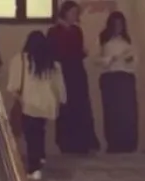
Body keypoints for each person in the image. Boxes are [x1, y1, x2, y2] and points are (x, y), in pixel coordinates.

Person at [8, 31, 67, 180]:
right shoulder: (52, 63)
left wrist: (16, 95)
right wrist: (61, 100)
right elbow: (59, 86)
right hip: (47, 103)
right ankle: (40, 157)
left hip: (28, 102)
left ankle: (34, 166)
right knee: (39, 130)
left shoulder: (20, 60)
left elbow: (14, 84)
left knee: (31, 134)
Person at [47, 1, 101, 155]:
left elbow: (78, 50)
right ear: (65, 12)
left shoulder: (77, 30)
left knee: (80, 105)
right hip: (63, 72)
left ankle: (82, 142)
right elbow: (53, 53)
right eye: (72, 13)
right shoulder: (54, 31)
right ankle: (67, 142)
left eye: (76, 13)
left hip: (77, 71)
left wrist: (83, 52)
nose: (74, 16)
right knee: (66, 107)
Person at [97, 11, 139, 153]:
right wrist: (109, 59)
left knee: (127, 112)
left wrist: (130, 59)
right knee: (112, 112)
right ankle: (113, 144)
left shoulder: (127, 40)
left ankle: (128, 144)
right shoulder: (103, 39)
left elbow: (135, 59)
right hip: (110, 77)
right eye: (116, 24)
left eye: (121, 24)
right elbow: (95, 59)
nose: (118, 27)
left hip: (126, 77)